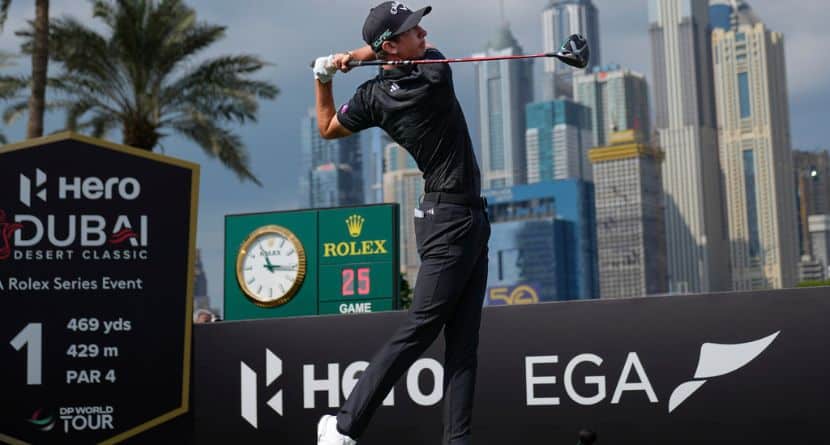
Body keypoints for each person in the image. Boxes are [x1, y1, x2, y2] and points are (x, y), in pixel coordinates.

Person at [312, 3, 490, 445]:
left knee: (464, 344)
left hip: (465, 217)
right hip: (449, 222)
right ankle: (344, 426)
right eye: (413, 30)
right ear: (392, 46)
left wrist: (325, 77)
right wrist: (356, 56)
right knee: (421, 327)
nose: (424, 33)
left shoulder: (372, 97)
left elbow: (327, 126)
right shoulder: (434, 74)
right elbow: (400, 56)